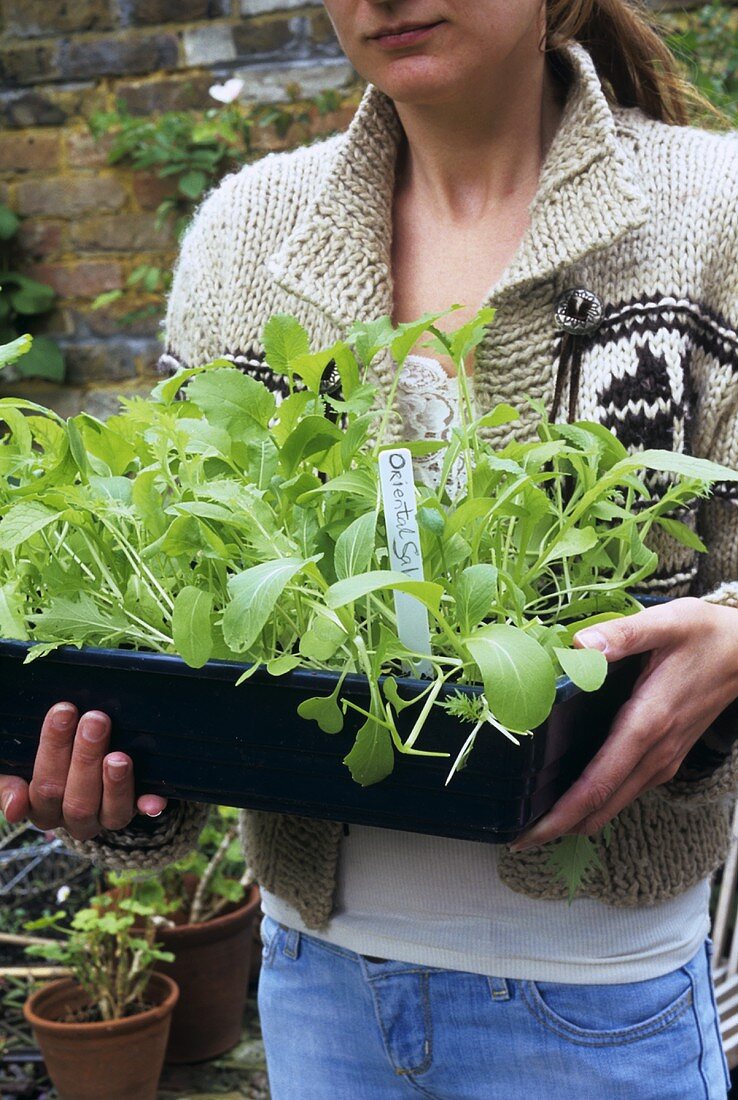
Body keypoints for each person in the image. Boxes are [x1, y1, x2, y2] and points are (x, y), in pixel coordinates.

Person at [2, 1, 738, 1095]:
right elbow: (193, 598)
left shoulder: (712, 210)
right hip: (315, 985)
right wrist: (122, 783)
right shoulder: (251, 232)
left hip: (597, 1001)